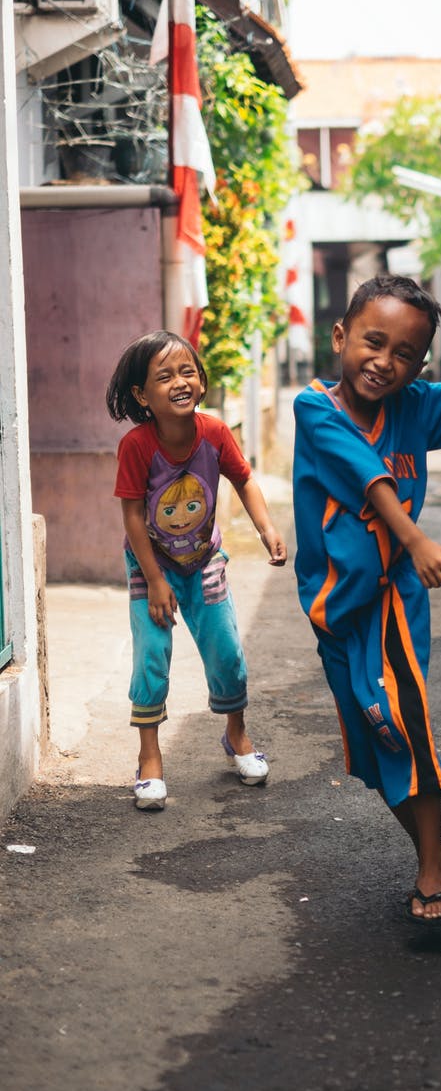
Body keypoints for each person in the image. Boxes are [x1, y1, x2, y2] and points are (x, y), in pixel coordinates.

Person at [292, 248, 441, 927]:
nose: (384, 361)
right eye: (373, 341)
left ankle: (431, 873)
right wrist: (414, 536)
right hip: (333, 609)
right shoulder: (314, 408)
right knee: (373, 747)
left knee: (402, 727)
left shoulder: (415, 405)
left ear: (418, 365)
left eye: (404, 353)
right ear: (340, 337)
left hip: (394, 602)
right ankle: (434, 852)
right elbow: (368, 475)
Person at [107, 331, 287, 811]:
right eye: (164, 376)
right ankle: (149, 759)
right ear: (143, 396)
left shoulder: (214, 433)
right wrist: (157, 580)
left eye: (187, 371)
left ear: (201, 380)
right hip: (151, 564)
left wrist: (266, 528)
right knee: (151, 657)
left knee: (226, 652)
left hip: (204, 558)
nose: (179, 382)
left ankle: (237, 737)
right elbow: (130, 515)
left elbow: (244, 479)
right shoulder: (137, 446)